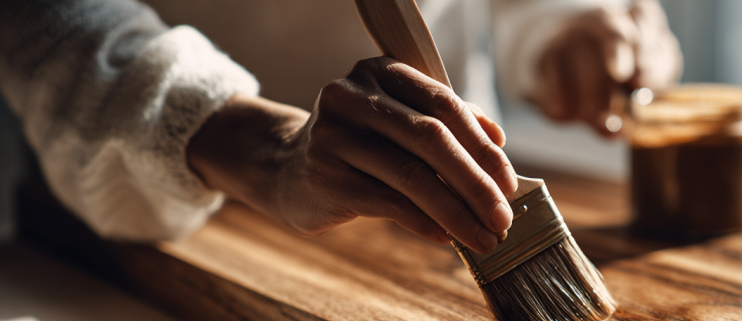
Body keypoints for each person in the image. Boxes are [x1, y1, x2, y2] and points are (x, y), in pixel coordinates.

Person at [0, 0, 681, 254]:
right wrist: (261, 150)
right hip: (149, 245)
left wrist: (567, 22)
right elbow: (46, 20)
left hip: (439, 228)